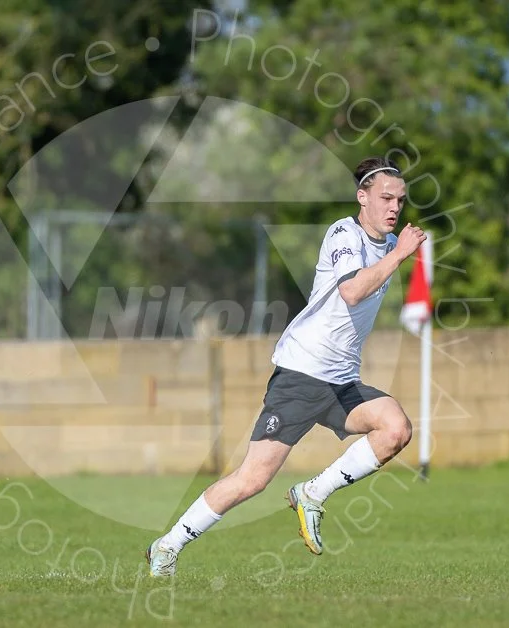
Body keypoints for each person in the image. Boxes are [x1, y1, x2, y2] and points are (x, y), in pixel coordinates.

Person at [145, 157, 427, 577]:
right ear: (362, 197)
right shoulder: (344, 233)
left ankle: (313, 492)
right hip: (302, 374)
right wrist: (402, 253)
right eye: (386, 198)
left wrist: (396, 251)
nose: (394, 208)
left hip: (341, 381)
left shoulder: (387, 247)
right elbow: (352, 291)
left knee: (396, 429)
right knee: (252, 480)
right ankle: (167, 546)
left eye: (400, 201)